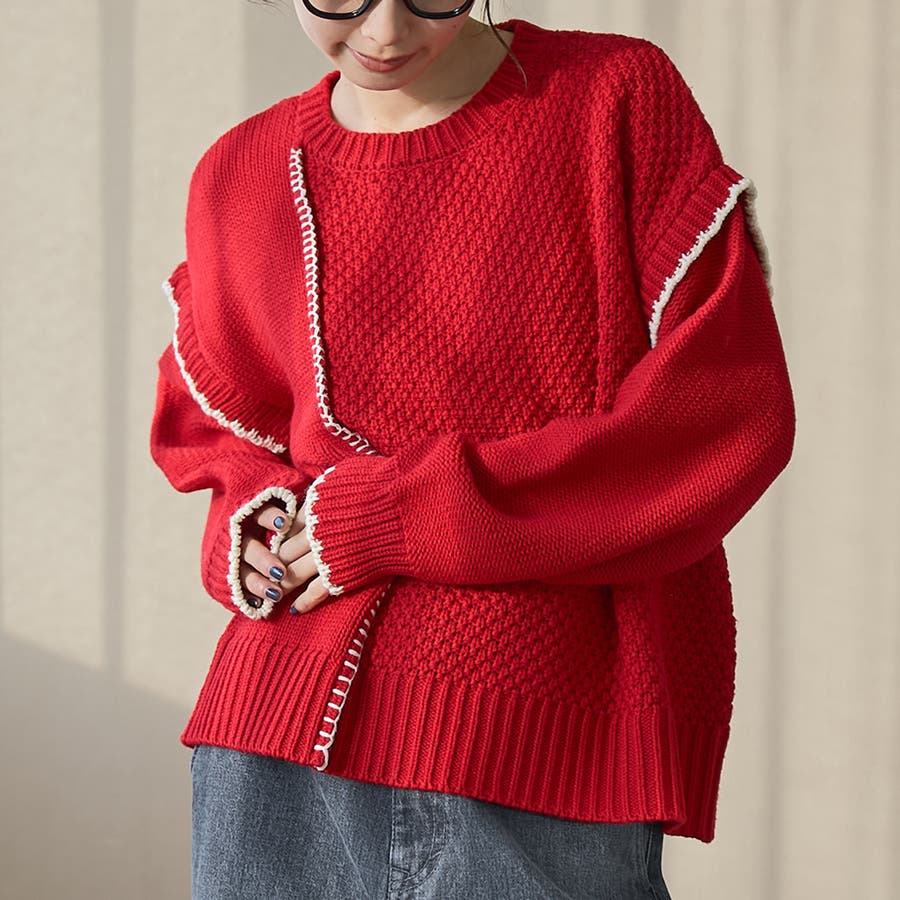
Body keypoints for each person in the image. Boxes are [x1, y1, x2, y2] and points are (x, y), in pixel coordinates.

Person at [149, 0, 795, 897]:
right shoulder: (241, 171)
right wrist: (253, 525)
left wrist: (391, 517)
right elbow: (219, 420)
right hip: (271, 748)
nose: (384, 30)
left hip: (534, 743)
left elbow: (723, 411)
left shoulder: (612, 99)